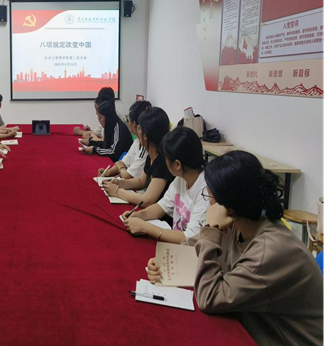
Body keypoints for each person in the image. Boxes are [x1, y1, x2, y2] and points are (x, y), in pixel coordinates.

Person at [146, 151, 324, 345]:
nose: (209, 202)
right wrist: (167, 261)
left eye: (209, 195)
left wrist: (212, 228)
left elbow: (210, 298)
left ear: (228, 205)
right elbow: (195, 244)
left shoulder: (271, 250)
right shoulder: (241, 221)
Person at [122, 127, 210, 243]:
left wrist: (145, 227)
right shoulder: (181, 178)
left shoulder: (206, 192)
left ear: (177, 165)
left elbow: (190, 238)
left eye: (166, 159)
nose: (165, 162)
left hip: (187, 250)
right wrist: (139, 215)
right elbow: (162, 206)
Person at [102, 107, 174, 208]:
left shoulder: (163, 162)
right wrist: (119, 183)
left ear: (145, 136)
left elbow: (147, 200)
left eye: (139, 128)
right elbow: (141, 181)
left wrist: (117, 191)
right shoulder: (151, 155)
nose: (137, 130)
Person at [97, 100, 152, 179]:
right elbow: (123, 162)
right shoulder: (137, 142)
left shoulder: (146, 149)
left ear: (135, 124)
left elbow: (128, 175)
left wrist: (121, 168)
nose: (128, 123)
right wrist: (109, 172)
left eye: (128, 119)